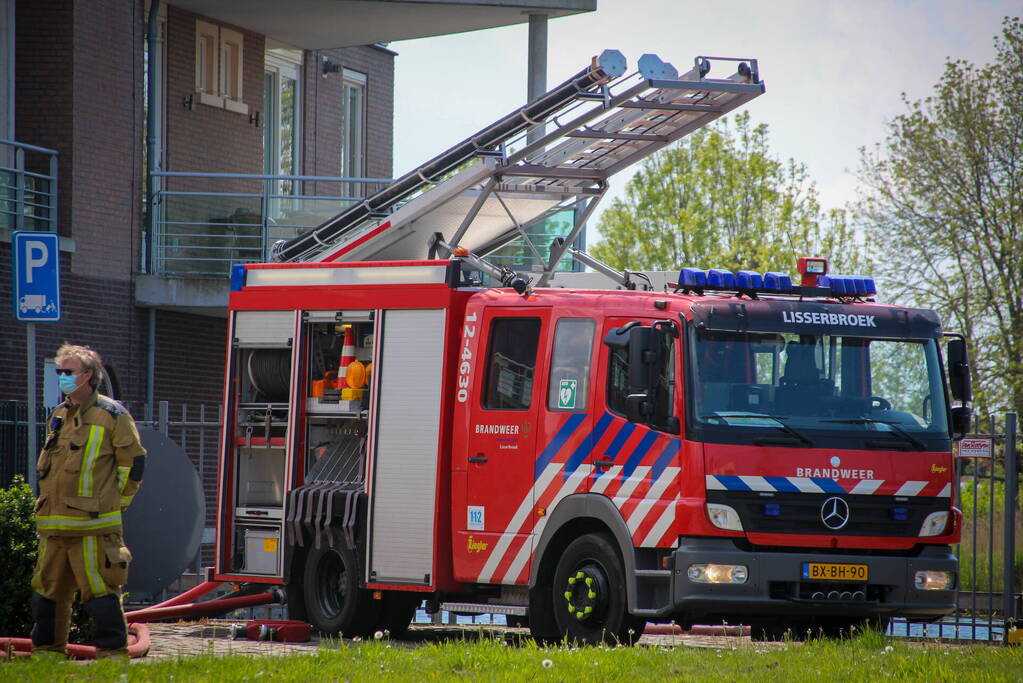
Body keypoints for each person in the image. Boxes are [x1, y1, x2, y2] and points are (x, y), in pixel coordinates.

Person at [30, 344, 146, 658]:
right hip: (54, 527)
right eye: (59, 372)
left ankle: (111, 657)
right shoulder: (58, 415)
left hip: (93, 527)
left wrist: (115, 504)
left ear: (89, 376)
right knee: (48, 594)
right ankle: (45, 655)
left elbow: (133, 464)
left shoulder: (112, 415)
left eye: (68, 372)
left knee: (100, 594)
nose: (62, 378)